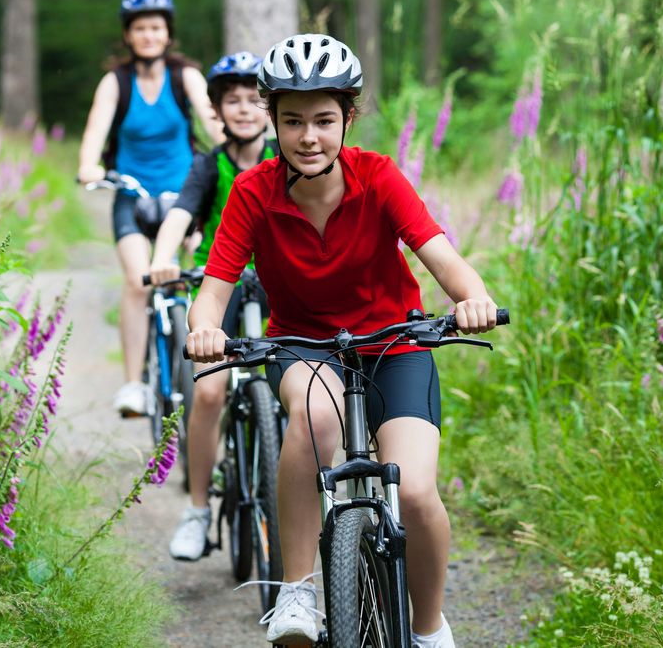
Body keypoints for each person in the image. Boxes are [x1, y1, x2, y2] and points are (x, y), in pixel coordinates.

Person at [185, 34, 499, 648]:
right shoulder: (253, 192)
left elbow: (443, 258)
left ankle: (430, 626)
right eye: (293, 120)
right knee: (310, 419)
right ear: (272, 119)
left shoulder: (379, 177)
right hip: (302, 345)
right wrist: (205, 329)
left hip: (396, 343)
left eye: (325, 120)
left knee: (412, 489)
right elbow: (217, 284)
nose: (308, 137)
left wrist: (472, 298)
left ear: (348, 118)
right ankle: (298, 591)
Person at [148, 51, 277, 561]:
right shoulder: (209, 165)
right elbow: (181, 214)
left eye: (253, 100)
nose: (244, 109)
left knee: (299, 384)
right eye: (233, 101)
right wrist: (162, 257)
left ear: (268, 109)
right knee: (208, 393)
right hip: (214, 281)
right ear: (217, 111)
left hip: (275, 282)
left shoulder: (283, 158)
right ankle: (198, 510)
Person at [77, 0, 223, 417]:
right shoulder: (115, 83)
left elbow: (214, 126)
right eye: (140, 28)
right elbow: (94, 133)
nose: (148, 35)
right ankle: (133, 385)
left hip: (184, 194)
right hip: (132, 196)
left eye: (156, 27)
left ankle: (208, 372)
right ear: (128, 35)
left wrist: (235, 149)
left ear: (168, 33)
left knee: (189, 275)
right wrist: (89, 167)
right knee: (137, 280)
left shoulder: (187, 78)